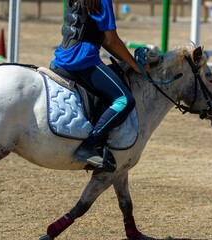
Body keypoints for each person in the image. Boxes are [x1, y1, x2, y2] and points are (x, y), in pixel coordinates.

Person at [50, 0, 150, 169]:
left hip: (63, 57)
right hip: (83, 60)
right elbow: (112, 40)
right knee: (125, 100)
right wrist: (136, 66)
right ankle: (89, 145)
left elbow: (102, 39)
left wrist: (126, 60)